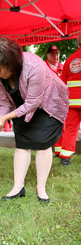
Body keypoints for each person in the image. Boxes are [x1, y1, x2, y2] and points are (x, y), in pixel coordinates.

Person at [0, 37, 69, 202]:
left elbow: (33, 102)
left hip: (48, 103)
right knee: (22, 144)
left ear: (11, 63)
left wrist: (6, 117)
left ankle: (41, 189)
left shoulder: (34, 66)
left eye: (0, 69)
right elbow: (4, 103)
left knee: (42, 144)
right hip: (21, 105)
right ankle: (17, 187)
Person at [55, 34, 81, 165]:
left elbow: (62, 83)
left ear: (78, 42)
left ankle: (65, 158)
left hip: (72, 102)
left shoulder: (70, 60)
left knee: (70, 129)